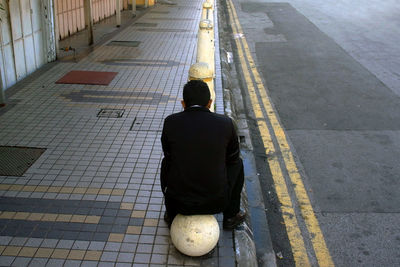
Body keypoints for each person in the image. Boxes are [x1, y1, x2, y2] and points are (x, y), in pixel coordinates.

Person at [160, 80, 246, 230]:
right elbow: (232, 158)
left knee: (167, 162)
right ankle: (231, 215)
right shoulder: (226, 123)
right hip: (217, 202)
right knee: (237, 163)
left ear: (183, 103)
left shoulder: (170, 122)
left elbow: (168, 154)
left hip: (178, 202)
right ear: (210, 103)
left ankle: (170, 213)